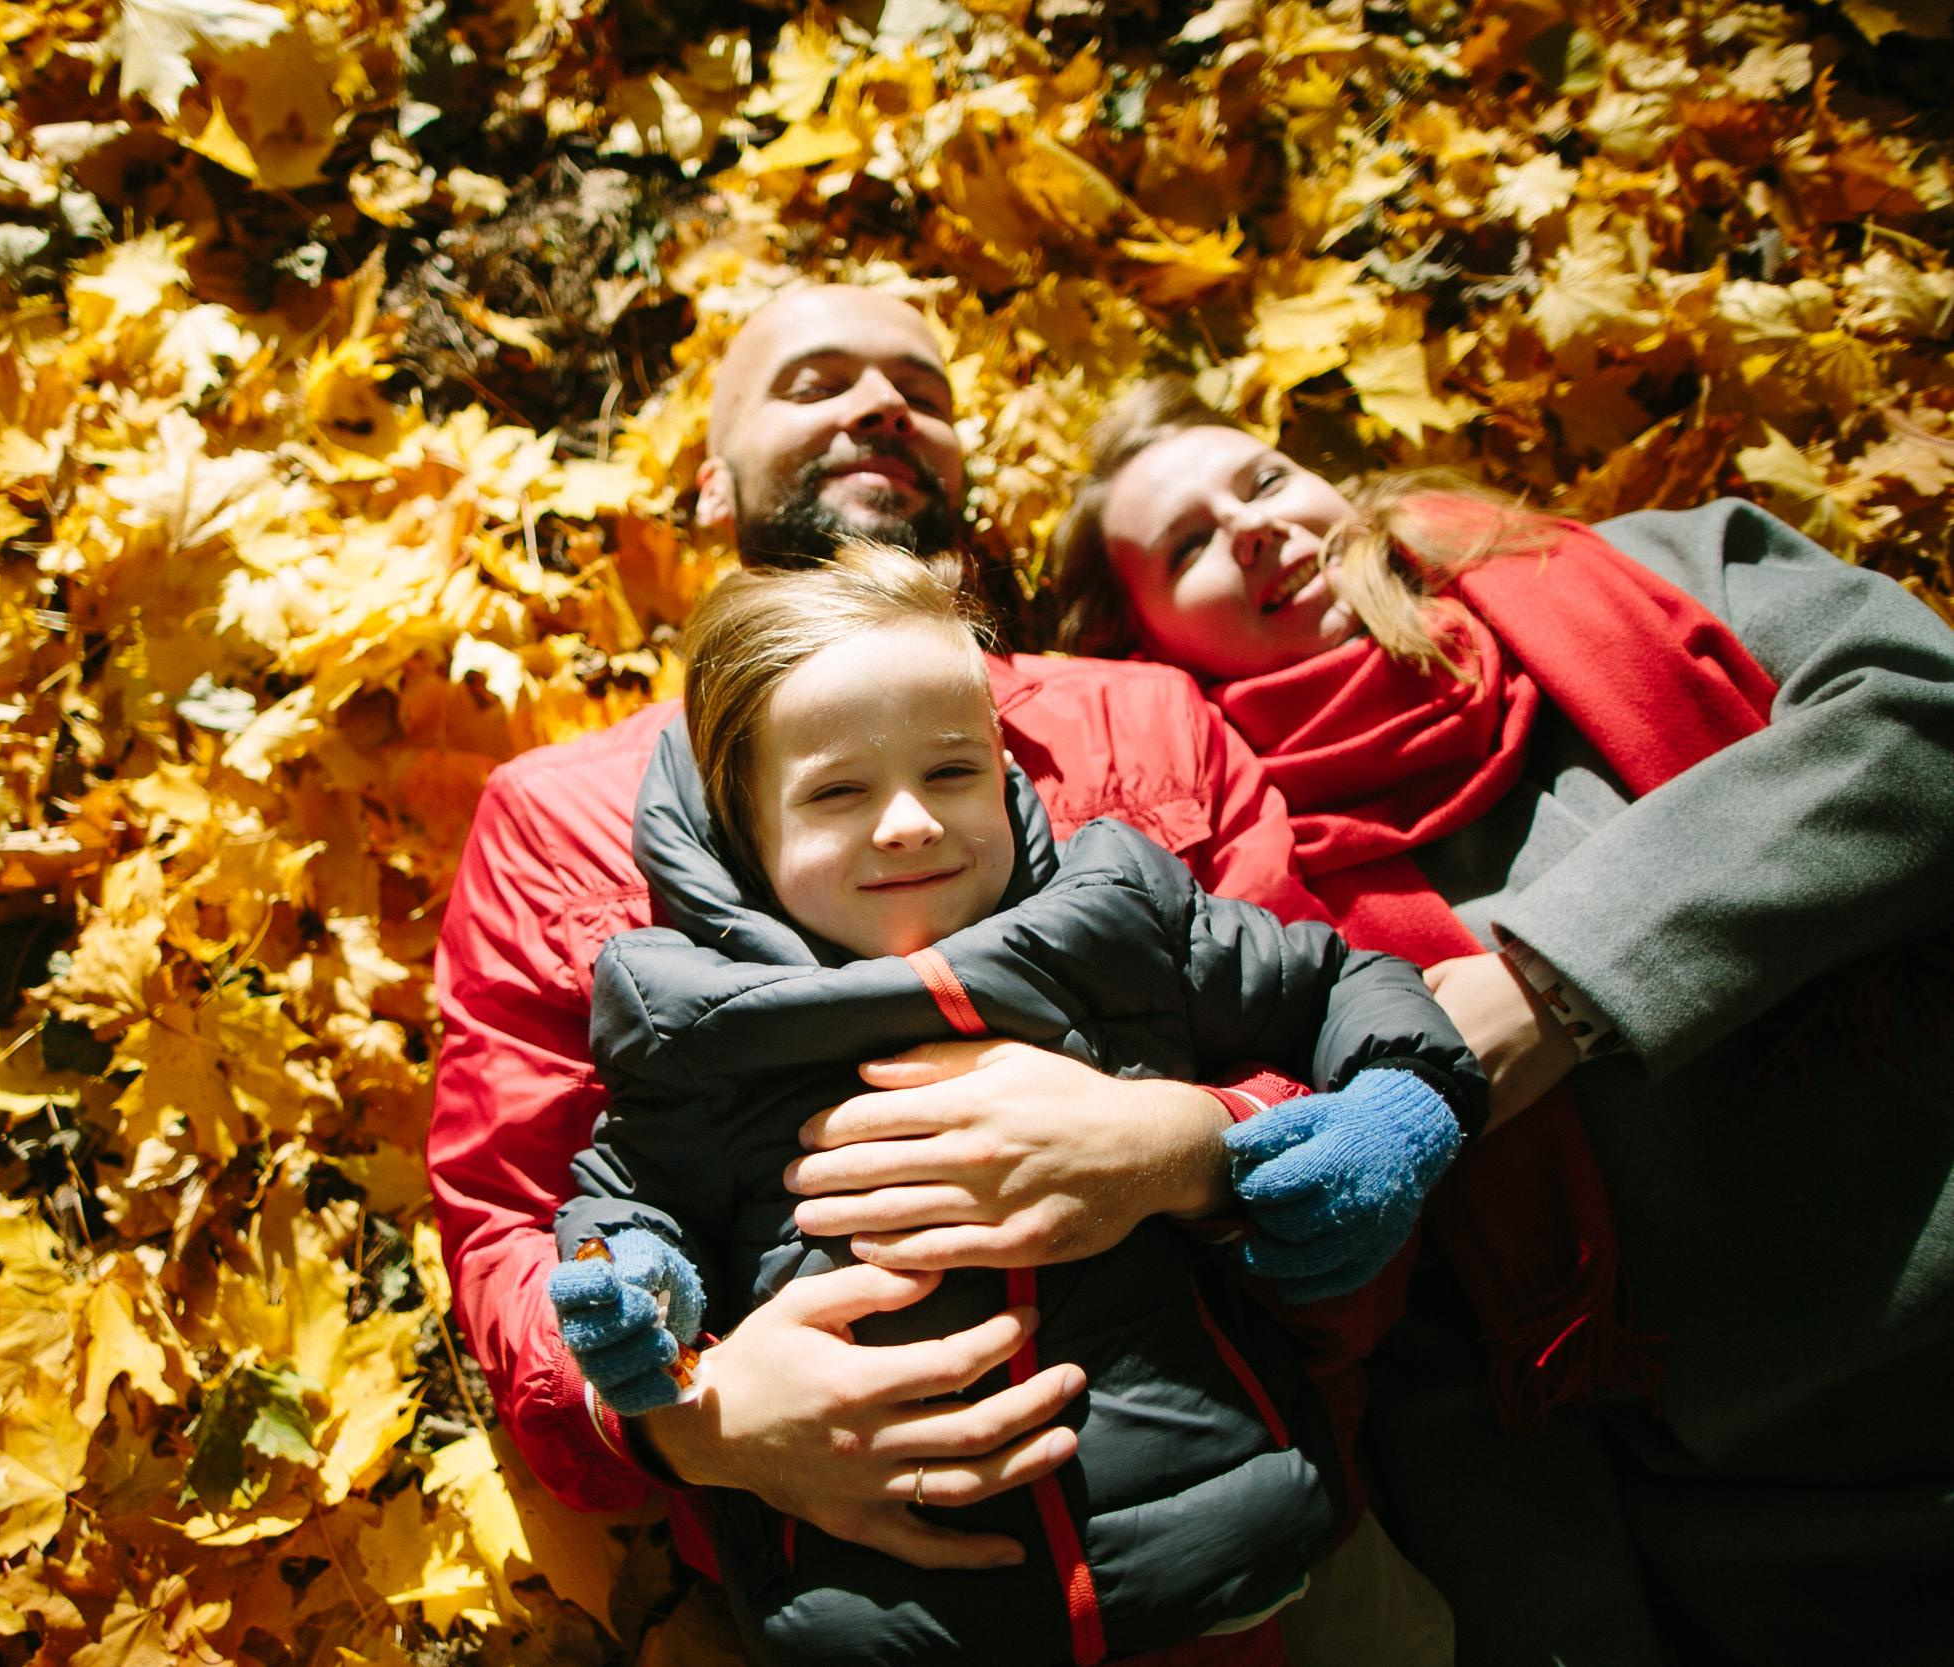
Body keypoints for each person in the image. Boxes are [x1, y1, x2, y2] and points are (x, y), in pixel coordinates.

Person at [426, 288, 1428, 1602]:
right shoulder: (561, 814)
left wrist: (1189, 1149)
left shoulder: (1145, 723)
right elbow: (513, 1218)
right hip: (856, 1597)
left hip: (1252, 1539)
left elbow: (1339, 1065)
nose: (878, 404)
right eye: (814, 381)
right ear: (709, 483)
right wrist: (694, 1416)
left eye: (920, 386)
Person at [1046, 375, 1954, 1664]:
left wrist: (1557, 983)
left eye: (1257, 480)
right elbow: (1431, 1348)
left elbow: (1921, 717)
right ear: (1141, 647)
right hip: (1773, 1533)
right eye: (1186, 544)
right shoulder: (1242, 898)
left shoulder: (1639, 571)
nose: (1246, 526)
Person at [545, 545, 1485, 1664]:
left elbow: (1340, 980)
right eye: (839, 791)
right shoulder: (690, 1022)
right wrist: (634, 1290)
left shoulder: (1115, 920)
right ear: (743, 834)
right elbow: (622, 1193)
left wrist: (1394, 1106)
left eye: (951, 772)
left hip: (1233, 1537)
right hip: (900, 1612)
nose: (908, 821)